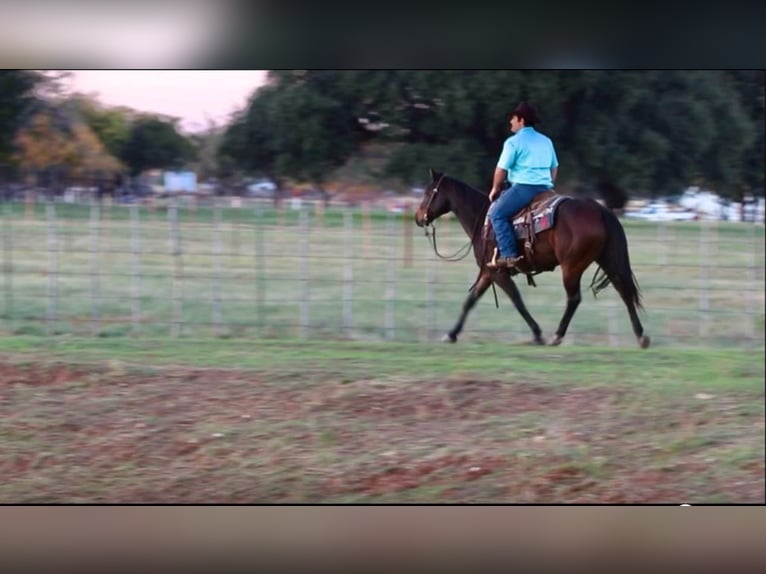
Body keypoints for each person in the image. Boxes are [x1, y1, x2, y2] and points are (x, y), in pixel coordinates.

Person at [487, 101, 559, 269]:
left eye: (512, 118)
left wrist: (495, 188)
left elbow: (501, 170)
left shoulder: (513, 142)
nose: (510, 122)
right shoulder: (546, 141)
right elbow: (554, 167)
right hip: (545, 189)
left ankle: (508, 255)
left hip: (523, 189)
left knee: (497, 214)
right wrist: (549, 184)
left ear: (520, 119)